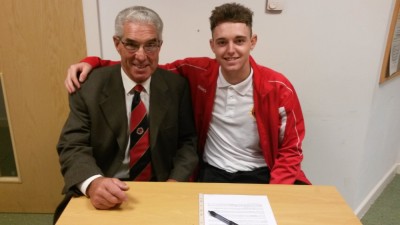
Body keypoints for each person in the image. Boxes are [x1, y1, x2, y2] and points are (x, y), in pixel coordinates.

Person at [65, 3, 311, 185]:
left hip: (262, 173)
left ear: (252, 42)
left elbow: (291, 150)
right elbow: (143, 66)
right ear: (212, 44)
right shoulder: (196, 72)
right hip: (211, 172)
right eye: (222, 42)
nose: (231, 50)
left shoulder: (278, 88)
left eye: (239, 40)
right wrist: (94, 62)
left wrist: (276, 191)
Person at [55, 5, 198, 223]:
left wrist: (175, 182)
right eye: (131, 44)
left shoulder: (177, 87)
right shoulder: (89, 87)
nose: (141, 56)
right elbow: (72, 145)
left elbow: (188, 142)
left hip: (162, 189)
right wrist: (93, 183)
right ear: (117, 44)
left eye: (151, 45)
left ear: (160, 46)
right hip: (106, 189)